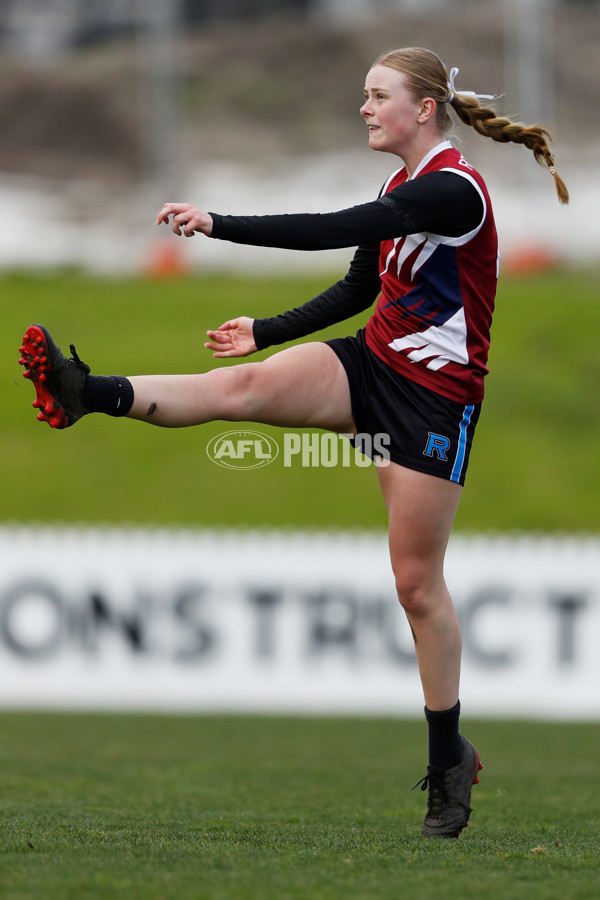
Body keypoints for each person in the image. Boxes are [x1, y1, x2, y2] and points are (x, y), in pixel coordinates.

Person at [19, 47, 568, 838]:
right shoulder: (401, 183)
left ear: (424, 109)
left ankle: (450, 757)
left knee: (417, 587)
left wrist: (219, 224)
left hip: (435, 404)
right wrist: (264, 333)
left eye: (378, 96)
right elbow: (358, 285)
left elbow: (332, 229)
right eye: (364, 95)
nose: (364, 108)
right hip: (371, 363)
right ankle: (84, 392)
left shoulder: (452, 190)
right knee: (240, 390)